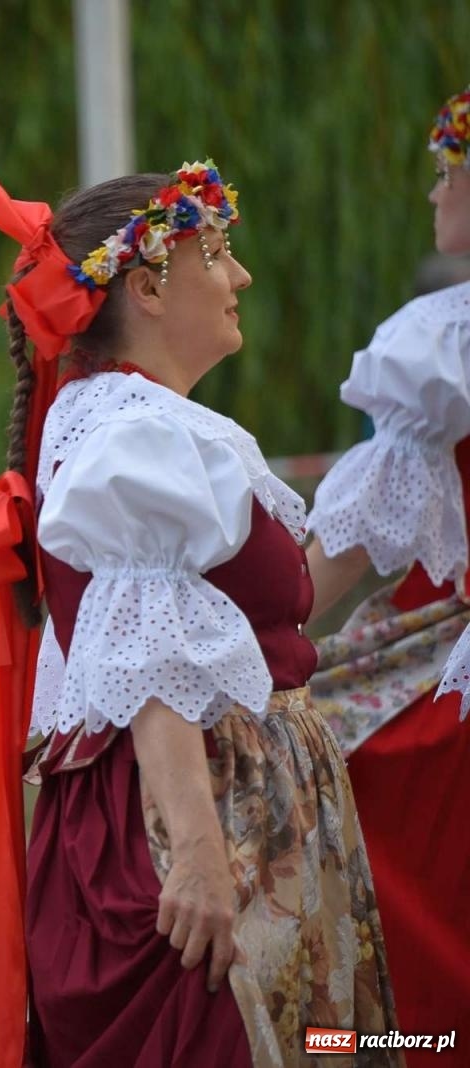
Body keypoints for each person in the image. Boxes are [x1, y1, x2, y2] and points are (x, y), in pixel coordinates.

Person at [0, 161, 398, 1066]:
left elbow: (241, 622)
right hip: (194, 811)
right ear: (149, 285)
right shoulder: (131, 435)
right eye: (220, 254)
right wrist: (198, 854)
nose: (240, 278)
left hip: (224, 797)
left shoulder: (136, 422)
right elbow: (153, 663)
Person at [306, 84, 470, 1043]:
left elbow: (344, 553)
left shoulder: (448, 338)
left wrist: (224, 643)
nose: (433, 191)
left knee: (321, 786)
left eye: (446, 167)